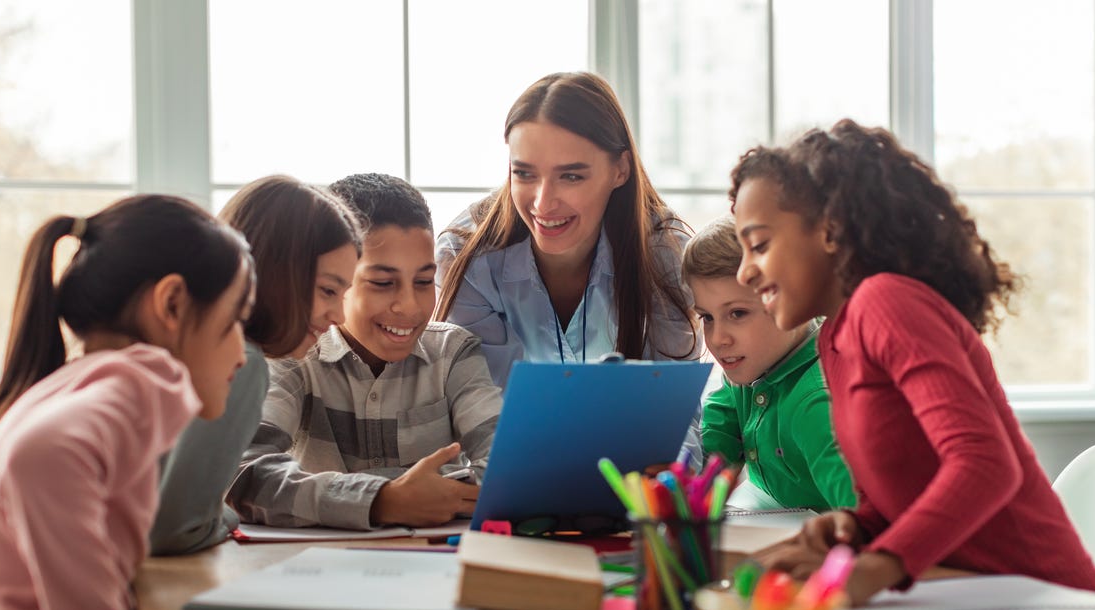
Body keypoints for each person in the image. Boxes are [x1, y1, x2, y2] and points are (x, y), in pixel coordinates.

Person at [732, 119, 1095, 604]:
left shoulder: (886, 303)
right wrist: (854, 528)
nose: (746, 271)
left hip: (1053, 608)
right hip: (975, 604)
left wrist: (876, 568)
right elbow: (898, 498)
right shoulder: (835, 339)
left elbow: (984, 464)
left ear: (828, 230)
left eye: (760, 244)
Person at [0, 195, 253, 610]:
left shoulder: (89, 385)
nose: (242, 353)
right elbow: (41, 454)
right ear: (172, 305)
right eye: (234, 321)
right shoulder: (123, 389)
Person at [228, 173, 502, 529]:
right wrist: (383, 501)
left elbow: (503, 472)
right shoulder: (294, 355)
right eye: (383, 283)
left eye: (423, 282)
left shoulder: (454, 353)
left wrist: (337, 495)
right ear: (339, 279)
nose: (409, 306)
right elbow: (245, 475)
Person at [435, 71, 700, 388]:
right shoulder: (465, 256)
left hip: (635, 439)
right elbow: (485, 411)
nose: (543, 204)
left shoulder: (664, 254)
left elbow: (671, 412)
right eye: (524, 174)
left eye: (571, 177)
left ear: (620, 170)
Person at [150, 175, 363, 555]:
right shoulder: (240, 363)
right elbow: (176, 529)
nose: (339, 316)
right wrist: (227, 516)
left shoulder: (180, 347)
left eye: (345, 294)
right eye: (328, 291)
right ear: (276, 272)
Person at [684, 216, 854, 512]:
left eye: (737, 313)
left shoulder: (815, 404)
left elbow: (863, 517)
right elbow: (718, 433)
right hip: (775, 512)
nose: (718, 338)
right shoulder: (751, 370)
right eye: (707, 317)